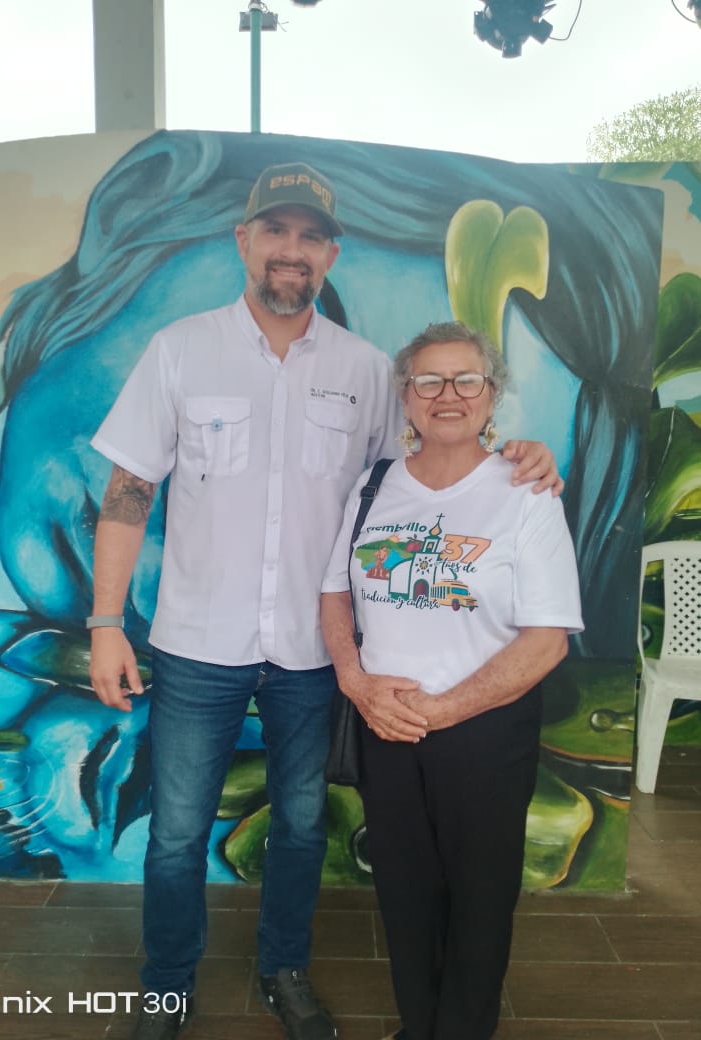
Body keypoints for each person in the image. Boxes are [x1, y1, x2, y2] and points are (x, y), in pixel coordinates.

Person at [87, 165, 561, 1040]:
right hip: (197, 643)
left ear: (331, 253)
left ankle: (284, 971)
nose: (291, 249)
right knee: (177, 833)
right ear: (244, 241)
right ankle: (166, 986)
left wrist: (517, 458)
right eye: (275, 230)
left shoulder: (369, 371)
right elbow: (128, 490)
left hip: (317, 655)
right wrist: (107, 623)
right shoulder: (180, 351)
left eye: (310, 236)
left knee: (303, 826)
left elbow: (426, 467)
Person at [321, 321, 584, 1040]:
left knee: (480, 900)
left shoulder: (525, 492)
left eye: (467, 380)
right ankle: (419, 1025)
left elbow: (547, 640)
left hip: (484, 734)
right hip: (385, 726)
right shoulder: (375, 487)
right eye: (429, 380)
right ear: (406, 397)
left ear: (491, 394)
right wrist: (356, 682)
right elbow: (334, 593)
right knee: (404, 895)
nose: (448, 395)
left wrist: (440, 711)